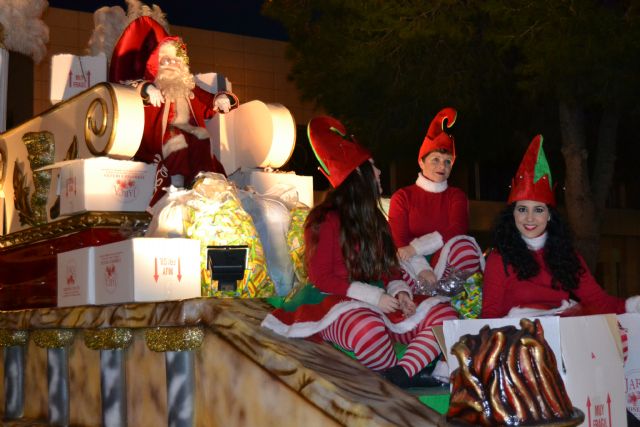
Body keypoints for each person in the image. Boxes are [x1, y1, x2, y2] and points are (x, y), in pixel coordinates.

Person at [261, 116, 458, 388]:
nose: (379, 173)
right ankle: (402, 372)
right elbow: (321, 277)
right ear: (357, 174)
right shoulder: (323, 219)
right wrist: (374, 296)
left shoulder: (376, 219)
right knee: (369, 329)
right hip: (333, 301)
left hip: (380, 303)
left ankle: (400, 374)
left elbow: (389, 268)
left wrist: (400, 292)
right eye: (373, 167)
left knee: (444, 313)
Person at [481, 134, 640, 318]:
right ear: (513, 214)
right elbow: (489, 315)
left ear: (549, 216)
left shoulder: (567, 256)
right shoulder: (500, 258)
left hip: (564, 334)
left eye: (539, 210)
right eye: (523, 209)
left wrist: (633, 305)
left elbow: (599, 301)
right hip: (516, 339)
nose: (530, 218)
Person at [109, 16, 228, 204]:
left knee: (202, 136)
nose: (172, 64)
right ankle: (177, 182)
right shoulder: (154, 85)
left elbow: (209, 103)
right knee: (175, 139)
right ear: (156, 65)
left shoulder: (191, 88)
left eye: (175, 60)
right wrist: (147, 89)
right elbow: (131, 88)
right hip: (159, 139)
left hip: (190, 131)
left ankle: (203, 179)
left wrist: (221, 98)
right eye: (166, 61)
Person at [388, 107, 484, 290]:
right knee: (393, 259)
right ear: (421, 162)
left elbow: (457, 231)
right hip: (412, 267)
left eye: (448, 161)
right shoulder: (402, 197)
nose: (442, 166)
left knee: (465, 247)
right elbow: (399, 242)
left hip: (448, 268)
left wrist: (416, 247)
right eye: (436, 159)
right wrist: (422, 268)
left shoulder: (456, 196)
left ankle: (451, 298)